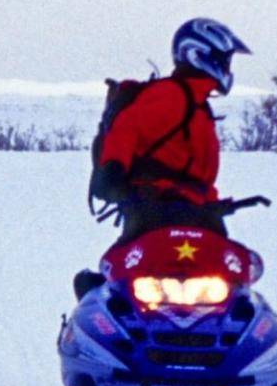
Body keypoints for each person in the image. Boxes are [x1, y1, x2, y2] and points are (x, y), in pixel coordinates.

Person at [74, 17, 251, 299]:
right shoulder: (170, 95)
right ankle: (98, 310)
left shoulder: (197, 104)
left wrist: (213, 202)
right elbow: (127, 129)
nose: (228, 67)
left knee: (228, 281)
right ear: (201, 54)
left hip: (197, 211)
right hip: (153, 208)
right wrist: (112, 170)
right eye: (224, 58)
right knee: (125, 279)